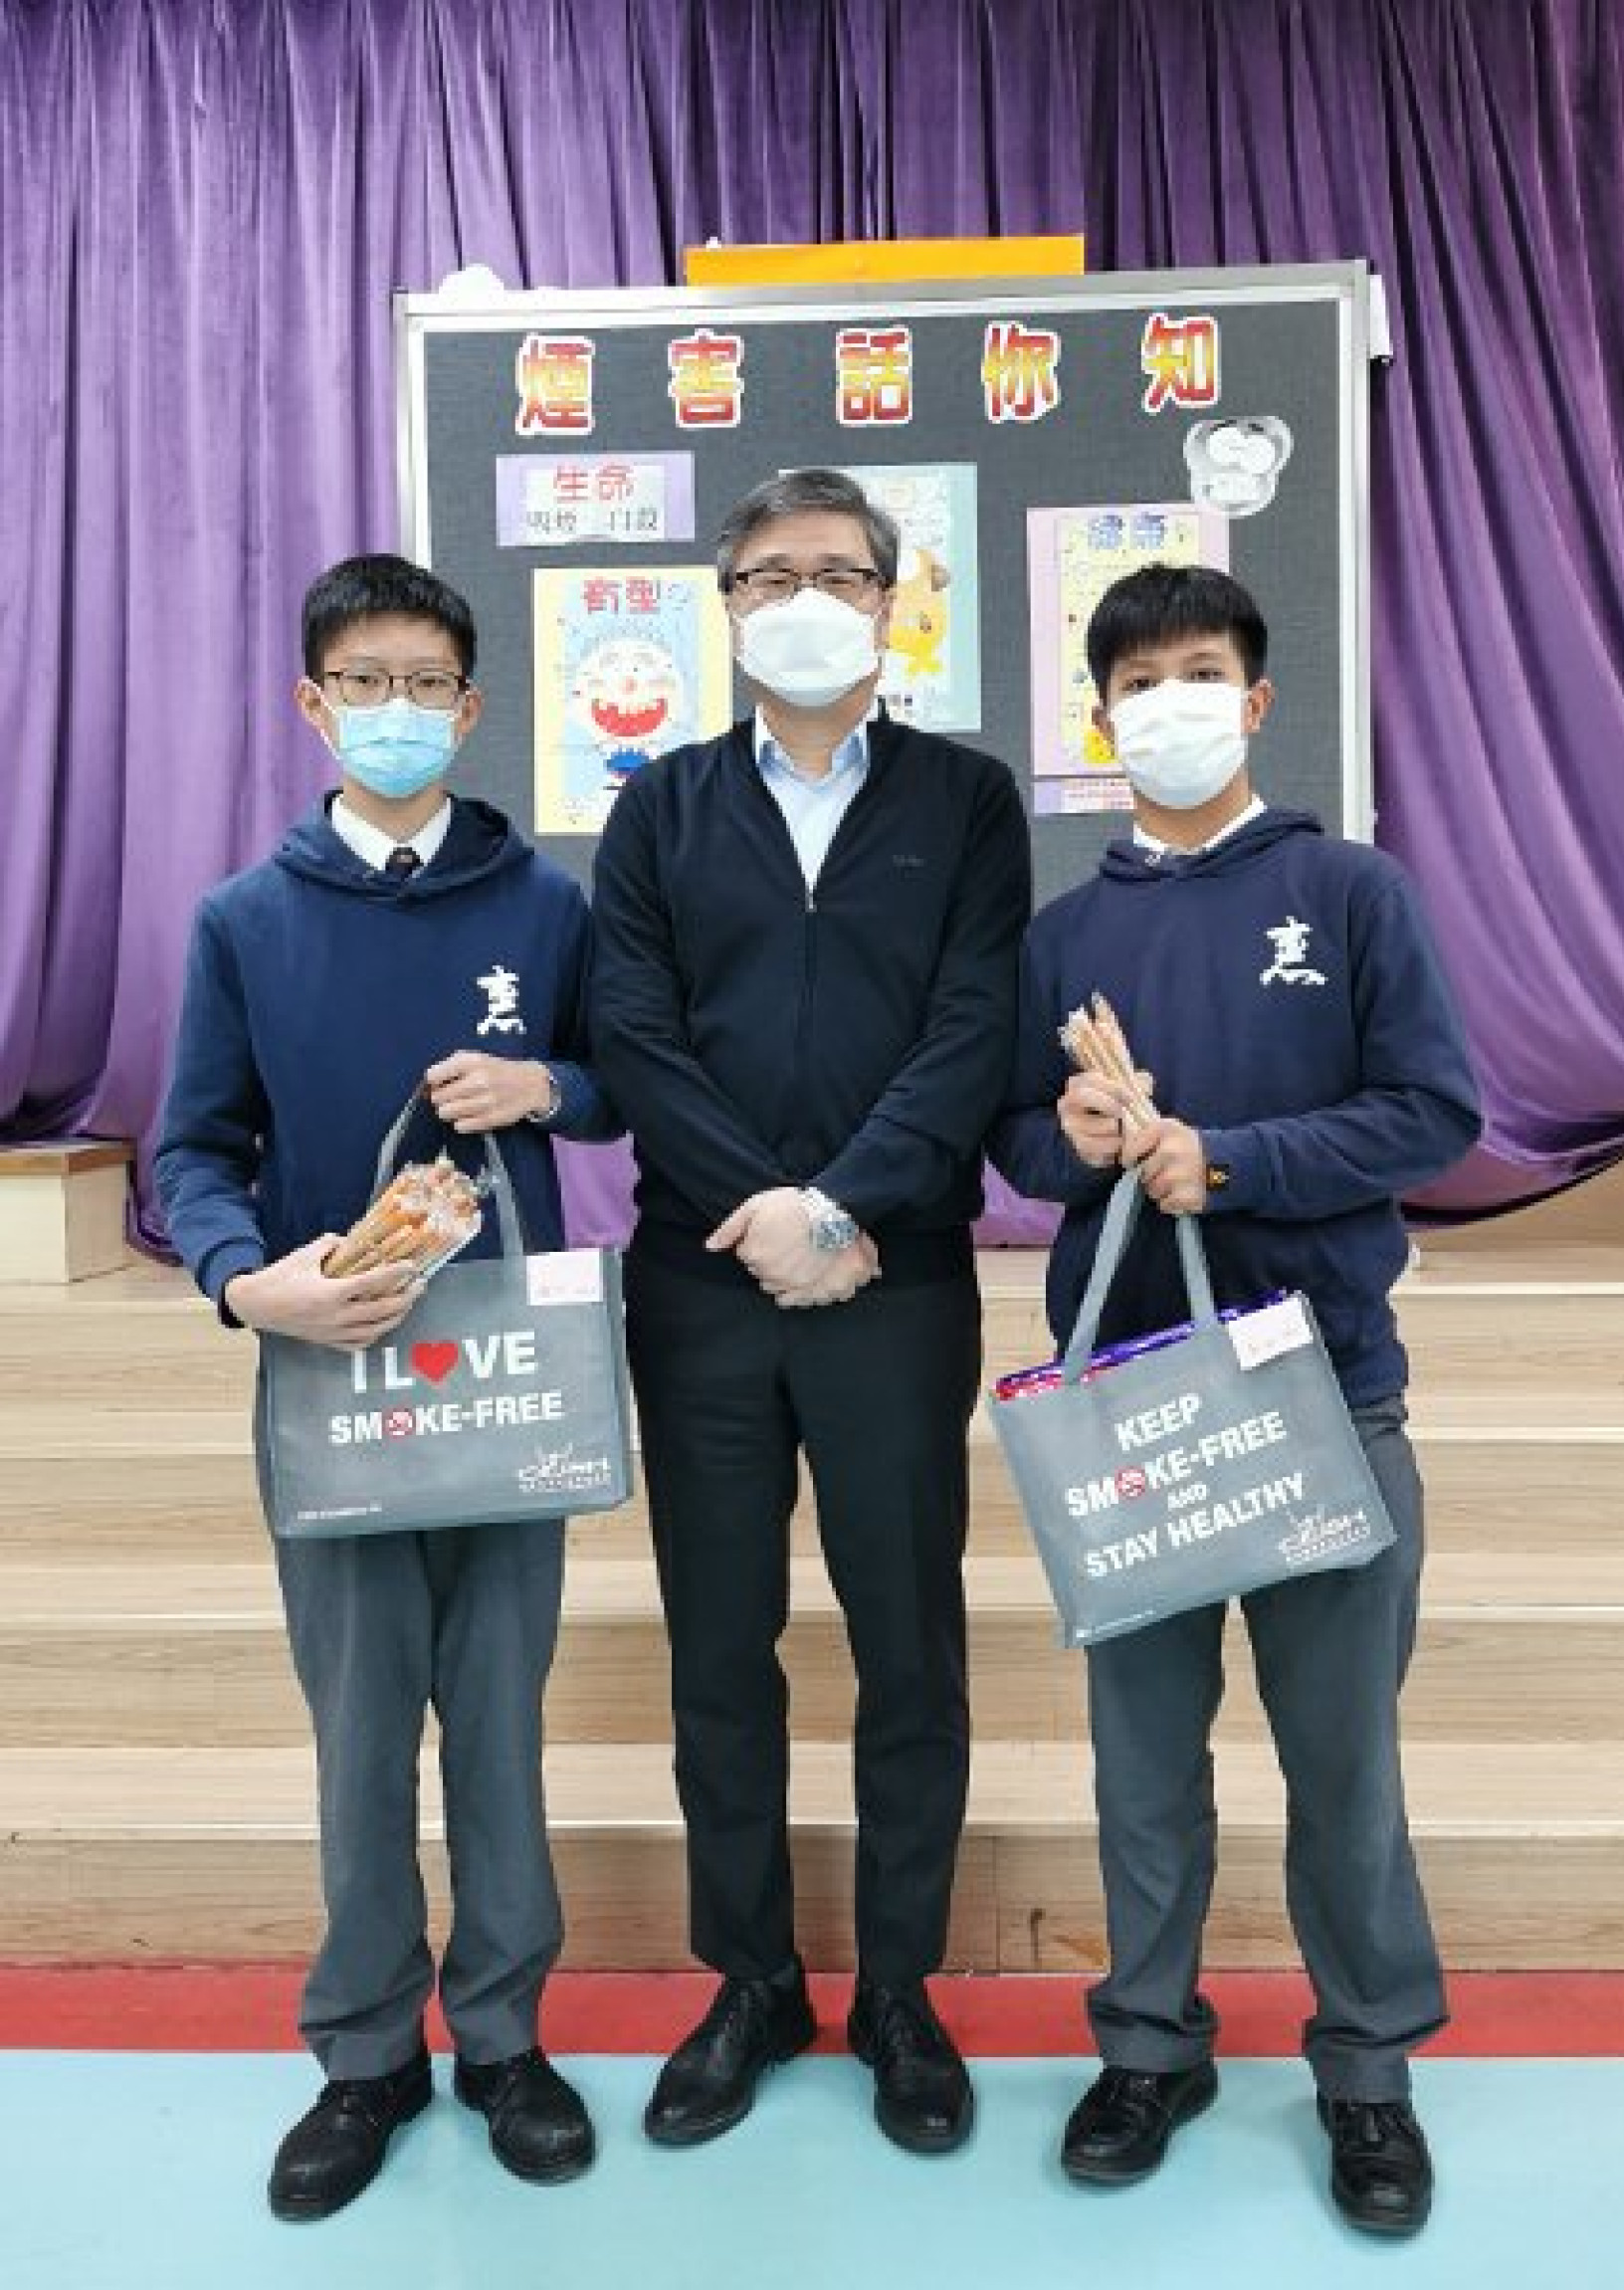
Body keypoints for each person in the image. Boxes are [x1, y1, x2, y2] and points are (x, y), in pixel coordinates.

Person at [988, 564, 1481, 2236]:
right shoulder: (1064, 934)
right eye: (1138, 682)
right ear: (1100, 717)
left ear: (1257, 699)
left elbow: (1433, 1110)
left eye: (1199, 672)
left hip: (1326, 1396)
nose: (1170, 704)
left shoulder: (1347, 891)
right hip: (1130, 1415)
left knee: (1344, 1764)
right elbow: (1015, 1139)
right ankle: (1147, 2045)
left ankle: (1367, 2068)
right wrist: (1081, 1138)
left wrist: (1236, 1159)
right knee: (1142, 1766)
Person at [156, 554, 619, 2221]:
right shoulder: (244, 920)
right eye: (365, 682)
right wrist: (245, 1279)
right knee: (360, 1727)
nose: (397, 710)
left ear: (470, 707)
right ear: (313, 703)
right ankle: (365, 2052)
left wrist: (546, 1084)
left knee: (498, 1714)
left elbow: (620, 1078)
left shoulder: (544, 905)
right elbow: (191, 1151)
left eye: (426, 684)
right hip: (329, 1366)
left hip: (504, 1374)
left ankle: (502, 2036)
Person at [589, 468, 1031, 2156]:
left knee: (908, 1642)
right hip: (702, 1288)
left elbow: (972, 1025)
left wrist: (843, 1205)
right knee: (721, 1646)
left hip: (892, 1280)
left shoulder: (966, 800)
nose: (803, 599)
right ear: (726, 605)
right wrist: (764, 1212)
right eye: (769, 574)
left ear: (890, 602)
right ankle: (754, 1978)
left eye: (837, 572)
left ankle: (900, 1987)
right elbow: (635, 1034)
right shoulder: (661, 806)